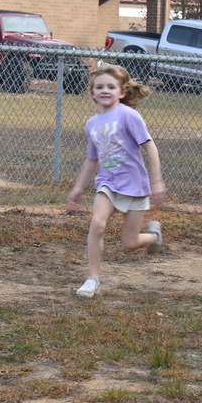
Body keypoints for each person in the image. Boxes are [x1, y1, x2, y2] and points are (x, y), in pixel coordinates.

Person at [67, 64, 166, 298]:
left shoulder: (129, 115)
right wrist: (78, 188)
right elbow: (92, 160)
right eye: (99, 87)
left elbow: (149, 146)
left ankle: (154, 236)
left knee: (129, 244)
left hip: (135, 185)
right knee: (97, 224)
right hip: (107, 183)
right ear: (92, 93)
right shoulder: (91, 124)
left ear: (121, 92)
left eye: (111, 87)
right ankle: (93, 278)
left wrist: (157, 180)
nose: (105, 90)